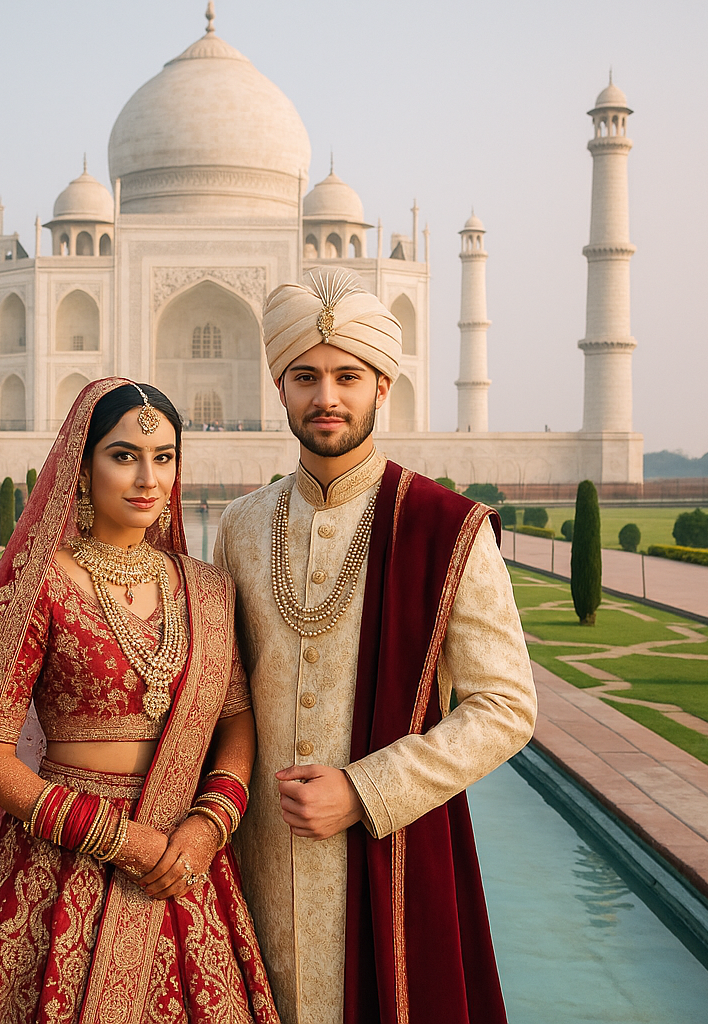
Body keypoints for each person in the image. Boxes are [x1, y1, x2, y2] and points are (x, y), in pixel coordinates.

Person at [0, 378, 279, 1024]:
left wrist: (209, 825)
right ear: (82, 465)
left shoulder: (206, 591)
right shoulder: (39, 585)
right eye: (124, 455)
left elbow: (237, 721)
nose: (147, 478)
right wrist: (123, 841)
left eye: (163, 457)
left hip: (183, 867)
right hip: (59, 873)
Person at [213, 271, 537, 1024]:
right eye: (306, 376)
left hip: (388, 852)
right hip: (254, 861)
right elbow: (217, 689)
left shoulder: (443, 526)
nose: (327, 395)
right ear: (280, 388)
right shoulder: (242, 526)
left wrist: (363, 790)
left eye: (347, 376)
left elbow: (507, 706)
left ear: (382, 386)